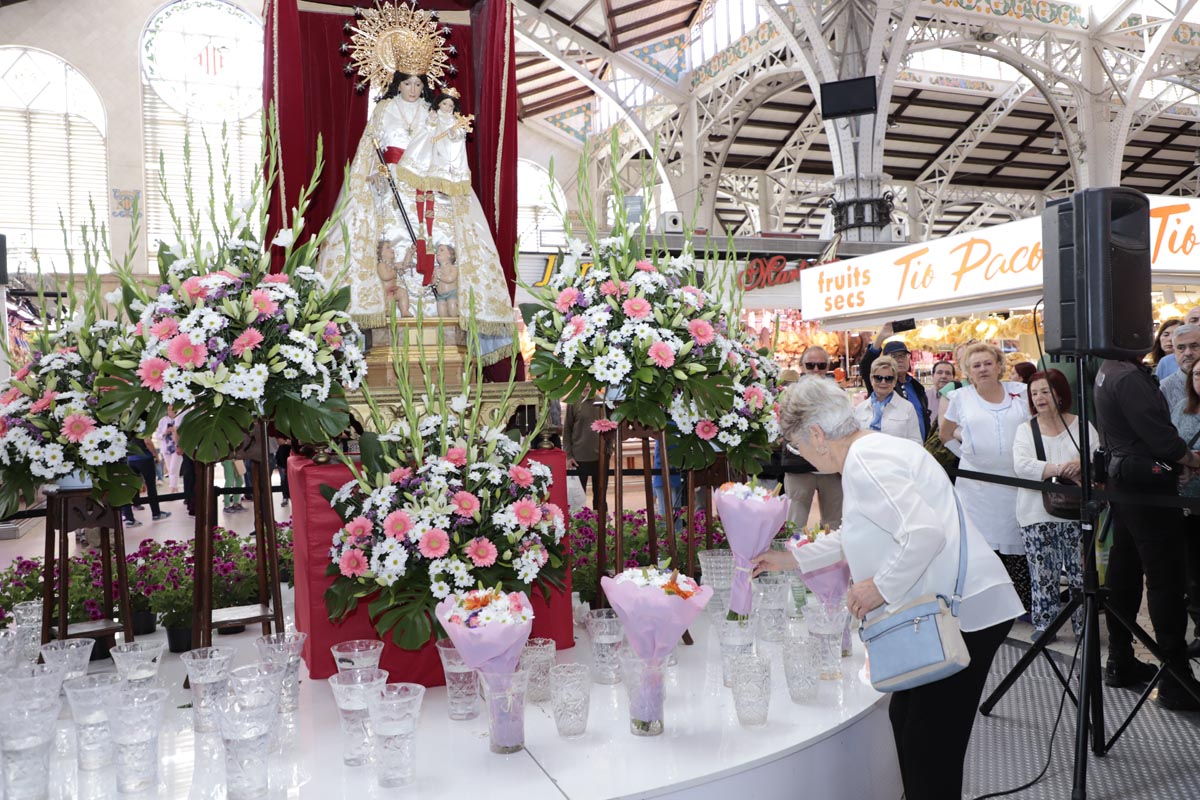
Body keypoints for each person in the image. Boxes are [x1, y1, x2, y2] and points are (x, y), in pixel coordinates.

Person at [753, 376, 1021, 800]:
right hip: (949, 605)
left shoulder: (868, 460)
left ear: (817, 435)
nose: (799, 456)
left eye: (797, 446)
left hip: (960, 611)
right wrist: (790, 558)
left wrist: (876, 588)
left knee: (928, 747)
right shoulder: (871, 452)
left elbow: (922, 534)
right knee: (910, 724)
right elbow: (857, 531)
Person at [1095, 354, 1200, 710]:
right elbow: (1161, 438)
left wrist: (1176, 463)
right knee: (1165, 578)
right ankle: (1175, 677)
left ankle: (1120, 659)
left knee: (1126, 570)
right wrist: (1189, 459)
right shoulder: (1126, 376)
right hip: (1144, 486)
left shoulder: (1110, 371)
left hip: (1127, 480)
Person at [940, 342, 1032, 611]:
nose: (983, 369)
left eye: (987, 363)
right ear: (967, 371)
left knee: (1018, 545)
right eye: (976, 365)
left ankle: (1021, 606)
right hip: (977, 491)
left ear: (999, 366)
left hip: (1017, 484)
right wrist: (967, 453)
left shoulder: (1020, 392)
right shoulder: (960, 398)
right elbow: (946, 434)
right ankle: (986, 606)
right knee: (981, 548)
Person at [1011, 369, 1097, 642]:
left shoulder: (1080, 425)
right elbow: (1021, 466)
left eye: (1045, 391)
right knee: (1042, 574)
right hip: (1036, 512)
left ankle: (1084, 627)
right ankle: (1045, 624)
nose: (1039, 397)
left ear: (1060, 394)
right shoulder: (1026, 430)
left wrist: (1081, 465)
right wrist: (1061, 468)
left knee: (1080, 574)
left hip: (1075, 513)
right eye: (1034, 393)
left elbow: (1096, 457)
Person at [784, 347, 843, 530]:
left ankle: (831, 559)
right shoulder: (790, 393)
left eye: (821, 365)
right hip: (798, 467)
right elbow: (784, 427)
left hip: (830, 469)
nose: (816, 370)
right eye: (811, 365)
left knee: (834, 525)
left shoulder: (837, 393)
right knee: (794, 524)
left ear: (828, 367)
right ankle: (791, 557)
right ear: (802, 366)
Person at [1168, 360, 1200, 657]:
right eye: (1198, 374)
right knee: (1193, 574)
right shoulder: (1181, 407)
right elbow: (1170, 446)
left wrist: (1194, 460)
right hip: (1186, 502)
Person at [860, 332, 930, 439]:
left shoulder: (917, 387)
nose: (900, 359)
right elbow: (866, 366)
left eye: (903, 355)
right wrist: (880, 338)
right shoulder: (883, 387)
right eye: (894, 356)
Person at [854, 355, 921, 444]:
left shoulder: (907, 408)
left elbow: (916, 442)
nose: (883, 382)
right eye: (878, 378)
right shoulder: (860, 409)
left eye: (888, 379)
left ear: (894, 381)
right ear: (871, 379)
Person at [564, 397, 604, 508]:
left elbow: (610, 429)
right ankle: (580, 524)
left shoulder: (602, 402)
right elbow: (567, 429)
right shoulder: (573, 403)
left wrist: (608, 451)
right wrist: (568, 455)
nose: (586, 385)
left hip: (600, 457)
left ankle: (601, 523)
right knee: (578, 499)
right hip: (578, 459)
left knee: (600, 499)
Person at [1159, 323, 1200, 411]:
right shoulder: (1163, 390)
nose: (1188, 353)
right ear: (1174, 351)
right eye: (1181, 348)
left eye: (1194, 346)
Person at [157, 410, 182, 491]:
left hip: (177, 446)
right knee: (169, 468)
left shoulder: (179, 418)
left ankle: (173, 487)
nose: (170, 411)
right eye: (168, 409)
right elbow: (158, 435)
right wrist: (165, 432)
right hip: (166, 447)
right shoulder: (163, 420)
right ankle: (174, 486)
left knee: (173, 467)